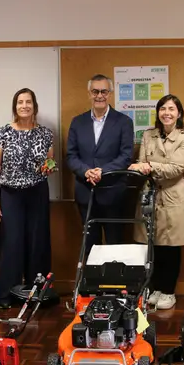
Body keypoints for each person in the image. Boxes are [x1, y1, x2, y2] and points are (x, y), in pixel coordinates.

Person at [0, 88, 55, 309]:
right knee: (12, 243)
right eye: (20, 102)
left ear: (35, 106)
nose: (24, 106)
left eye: (28, 102)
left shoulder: (45, 134)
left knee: (38, 243)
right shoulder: (3, 133)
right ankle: (6, 294)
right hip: (11, 194)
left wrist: (48, 167)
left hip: (37, 192)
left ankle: (37, 294)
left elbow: (49, 163)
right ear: (15, 106)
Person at [129, 94, 184, 311]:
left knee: (171, 247)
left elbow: (177, 169)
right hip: (150, 196)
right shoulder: (148, 135)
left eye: (171, 109)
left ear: (179, 113)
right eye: (163, 109)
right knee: (152, 246)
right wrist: (145, 166)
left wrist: (150, 166)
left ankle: (168, 291)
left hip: (174, 198)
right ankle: (155, 288)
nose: (167, 113)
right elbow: (140, 163)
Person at [66, 73, 134, 259]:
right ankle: (91, 288)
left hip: (114, 193)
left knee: (115, 245)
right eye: (95, 91)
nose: (99, 96)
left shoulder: (124, 122)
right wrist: (86, 171)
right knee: (90, 246)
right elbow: (71, 156)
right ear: (89, 93)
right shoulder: (77, 122)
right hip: (86, 194)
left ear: (110, 94)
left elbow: (126, 156)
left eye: (104, 91)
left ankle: (114, 288)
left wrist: (103, 171)